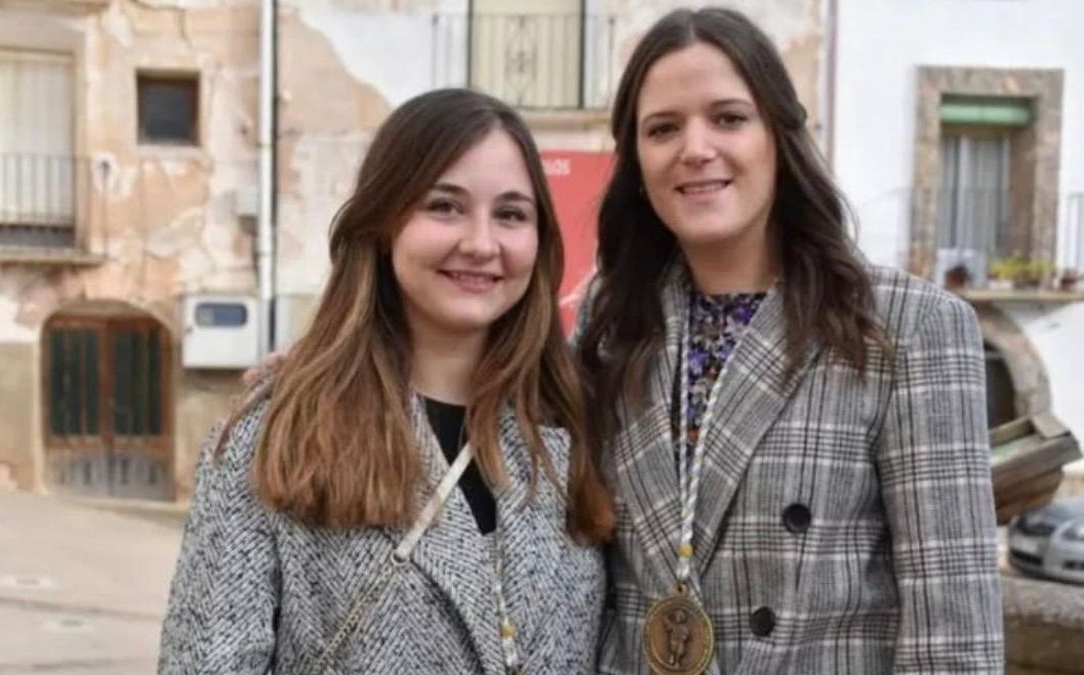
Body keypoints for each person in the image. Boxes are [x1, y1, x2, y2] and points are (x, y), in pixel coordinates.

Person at [574, 7, 1003, 674]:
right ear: (636, 161)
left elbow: (954, 636)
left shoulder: (906, 325)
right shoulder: (610, 320)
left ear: (780, 134)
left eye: (728, 117)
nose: (695, 147)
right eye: (663, 128)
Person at [158, 88, 614, 674]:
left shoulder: (572, 429)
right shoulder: (270, 437)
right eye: (444, 206)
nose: (481, 243)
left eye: (511, 214)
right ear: (382, 224)